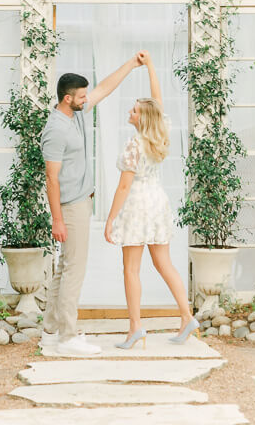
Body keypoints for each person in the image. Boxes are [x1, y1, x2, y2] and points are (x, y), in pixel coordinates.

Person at [40, 53, 145, 357]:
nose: (87, 99)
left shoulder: (79, 113)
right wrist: (57, 220)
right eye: (82, 96)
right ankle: (68, 337)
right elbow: (51, 178)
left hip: (80, 203)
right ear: (67, 98)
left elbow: (105, 88)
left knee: (64, 267)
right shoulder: (56, 129)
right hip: (69, 207)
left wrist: (131, 65)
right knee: (75, 268)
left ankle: (51, 331)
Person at [104, 51, 199, 348]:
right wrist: (151, 67)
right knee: (164, 263)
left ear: (141, 118)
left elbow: (122, 188)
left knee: (131, 269)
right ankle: (186, 316)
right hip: (158, 201)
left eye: (133, 111)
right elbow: (157, 102)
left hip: (138, 204)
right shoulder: (160, 133)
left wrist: (110, 220)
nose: (129, 113)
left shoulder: (134, 145)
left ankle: (135, 328)